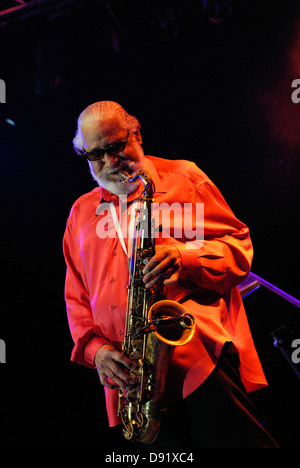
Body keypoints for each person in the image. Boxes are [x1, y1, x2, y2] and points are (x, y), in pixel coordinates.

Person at [63, 100, 278, 448]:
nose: (111, 163)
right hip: (132, 380)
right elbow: (76, 298)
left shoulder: (184, 179)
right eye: (96, 155)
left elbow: (238, 249)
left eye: (117, 147)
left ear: (137, 134)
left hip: (199, 358)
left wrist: (185, 258)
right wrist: (96, 350)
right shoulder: (81, 213)